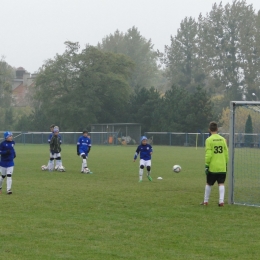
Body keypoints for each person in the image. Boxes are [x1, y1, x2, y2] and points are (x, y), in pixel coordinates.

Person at [201, 121, 229, 206]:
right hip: (222, 166)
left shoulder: (208, 140)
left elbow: (208, 154)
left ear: (209, 130)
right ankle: (221, 201)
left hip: (213, 166)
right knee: (221, 183)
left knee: (209, 183)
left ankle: (206, 201)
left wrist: (206, 165)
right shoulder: (223, 139)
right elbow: (226, 153)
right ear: (217, 129)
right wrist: (226, 164)